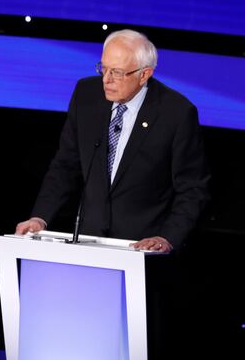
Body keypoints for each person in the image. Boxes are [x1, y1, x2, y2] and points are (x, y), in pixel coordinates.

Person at [15, 29, 210, 250]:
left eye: (117, 72)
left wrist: (167, 238)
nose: (106, 80)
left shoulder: (176, 113)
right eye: (103, 68)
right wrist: (40, 217)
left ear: (144, 74)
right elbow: (65, 165)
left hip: (142, 248)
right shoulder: (85, 94)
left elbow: (193, 189)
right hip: (89, 242)